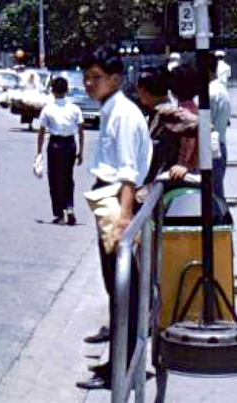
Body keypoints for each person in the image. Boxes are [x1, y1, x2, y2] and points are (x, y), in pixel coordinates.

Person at [77, 46, 151, 391]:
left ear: (116, 79)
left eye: (96, 77)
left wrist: (124, 218)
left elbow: (128, 172)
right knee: (117, 287)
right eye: (86, 77)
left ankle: (122, 370)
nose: (89, 83)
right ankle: (120, 364)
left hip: (116, 201)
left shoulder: (122, 114)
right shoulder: (112, 109)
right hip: (108, 197)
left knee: (123, 287)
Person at [34, 76, 85, 225]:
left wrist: (39, 152)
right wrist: (81, 151)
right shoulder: (74, 108)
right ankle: (69, 207)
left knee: (55, 179)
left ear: (52, 91)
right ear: (67, 90)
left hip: (55, 145)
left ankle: (60, 212)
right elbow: (81, 130)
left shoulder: (48, 109)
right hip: (70, 144)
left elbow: (41, 131)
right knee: (68, 177)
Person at [209, 55, 231, 200]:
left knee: (213, 195)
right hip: (220, 143)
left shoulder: (210, 93)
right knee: (217, 193)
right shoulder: (221, 89)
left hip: (212, 147)